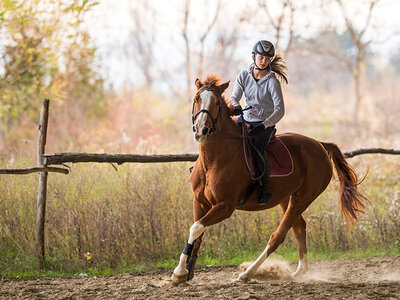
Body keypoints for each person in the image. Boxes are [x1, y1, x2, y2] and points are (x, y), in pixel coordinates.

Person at [230, 40, 288, 205]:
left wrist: (264, 125)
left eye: (267, 59)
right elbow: (234, 97)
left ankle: (264, 188)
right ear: (254, 56)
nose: (263, 61)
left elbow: (280, 110)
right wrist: (235, 106)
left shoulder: (272, 82)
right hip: (245, 118)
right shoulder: (243, 75)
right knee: (225, 138)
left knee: (256, 151)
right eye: (261, 57)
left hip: (264, 124)